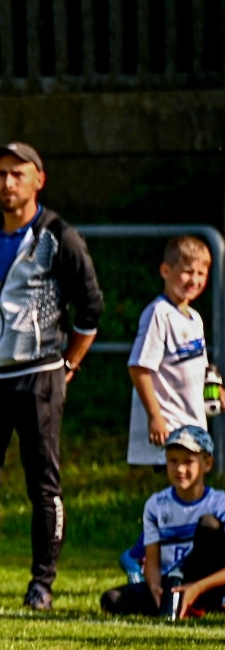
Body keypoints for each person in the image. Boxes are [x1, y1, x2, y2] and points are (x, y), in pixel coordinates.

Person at [0, 142, 103, 612]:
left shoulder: (60, 237)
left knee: (43, 485)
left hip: (39, 376)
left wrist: (68, 365)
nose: (7, 182)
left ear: (39, 179)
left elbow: (91, 309)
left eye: (17, 173)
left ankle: (42, 586)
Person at [118, 236, 212, 582]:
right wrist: (156, 417)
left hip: (193, 424)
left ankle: (167, 561)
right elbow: (139, 367)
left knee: (189, 495)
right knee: (177, 495)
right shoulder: (158, 313)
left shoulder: (194, 318)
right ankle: (139, 557)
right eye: (188, 271)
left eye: (202, 273)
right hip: (170, 426)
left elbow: (195, 366)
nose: (195, 280)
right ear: (166, 270)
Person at [101, 425, 225, 618]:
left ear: (207, 464)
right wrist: (155, 588)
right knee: (112, 599)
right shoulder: (156, 504)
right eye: (173, 461)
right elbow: (152, 559)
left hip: (206, 582)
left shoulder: (220, 502)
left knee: (209, 524)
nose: (180, 469)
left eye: (188, 462)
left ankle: (202, 601)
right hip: (170, 580)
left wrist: (198, 587)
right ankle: (176, 603)